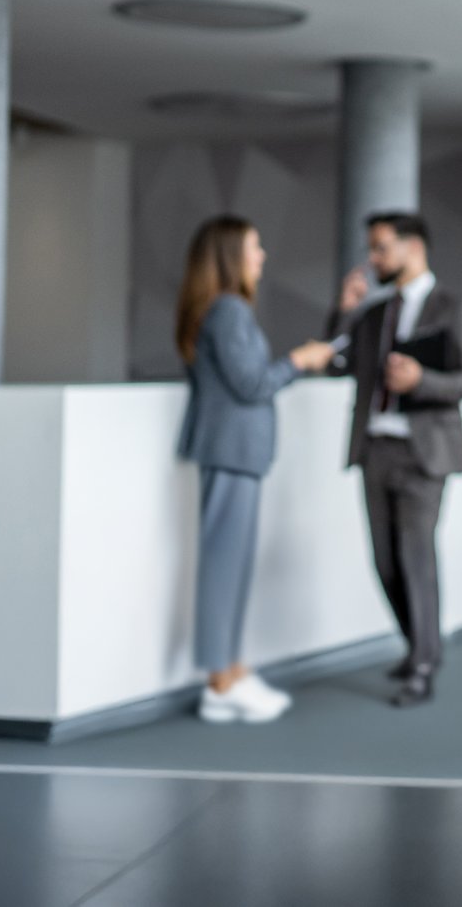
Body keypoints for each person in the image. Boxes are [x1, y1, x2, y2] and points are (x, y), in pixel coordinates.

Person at [175, 214, 335, 724]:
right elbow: (251, 384)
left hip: (236, 454)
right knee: (225, 567)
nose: (262, 256)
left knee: (234, 565)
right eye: (254, 247)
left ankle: (230, 670)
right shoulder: (228, 312)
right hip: (230, 452)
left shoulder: (223, 311)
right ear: (230, 256)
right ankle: (220, 682)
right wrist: (300, 362)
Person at [328, 212, 462, 707]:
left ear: (412, 247)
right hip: (375, 449)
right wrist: (343, 314)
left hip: (425, 455)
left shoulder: (456, 306)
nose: (373, 258)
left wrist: (420, 380)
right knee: (385, 563)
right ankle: (421, 645)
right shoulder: (375, 313)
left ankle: (422, 664)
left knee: (416, 559)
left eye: (380, 248)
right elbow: (336, 364)